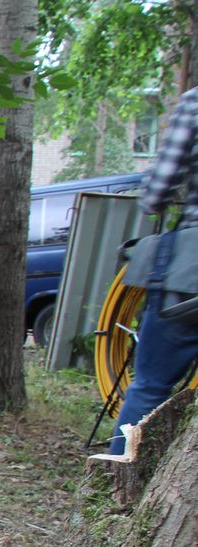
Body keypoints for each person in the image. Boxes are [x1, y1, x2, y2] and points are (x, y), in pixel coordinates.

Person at [109, 85, 198, 455]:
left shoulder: (194, 103)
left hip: (190, 274)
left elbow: (156, 192)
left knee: (151, 385)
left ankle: (112, 489)